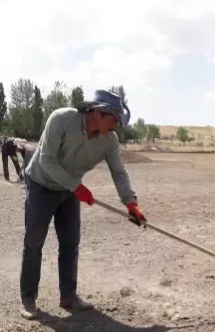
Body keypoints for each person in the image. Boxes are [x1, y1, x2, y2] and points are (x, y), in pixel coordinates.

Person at [18, 89, 147, 320]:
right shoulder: (61, 119)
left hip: (69, 190)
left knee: (70, 242)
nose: (116, 125)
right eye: (114, 119)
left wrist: (131, 203)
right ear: (97, 113)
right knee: (34, 242)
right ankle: (28, 299)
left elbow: (119, 172)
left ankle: (68, 296)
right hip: (41, 184)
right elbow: (46, 160)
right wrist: (76, 187)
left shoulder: (110, 141)